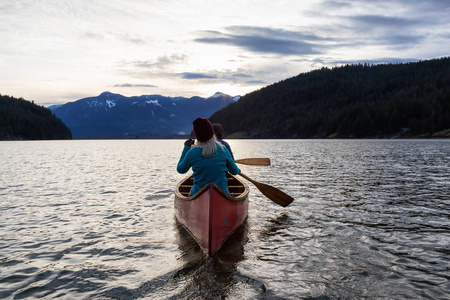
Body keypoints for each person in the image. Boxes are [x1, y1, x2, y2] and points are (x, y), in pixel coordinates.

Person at [177, 117, 240, 196]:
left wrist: (186, 148)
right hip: (222, 193)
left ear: (197, 135)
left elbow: (180, 169)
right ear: (211, 133)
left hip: (198, 194)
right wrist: (238, 170)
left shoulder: (191, 152)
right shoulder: (223, 149)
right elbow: (234, 171)